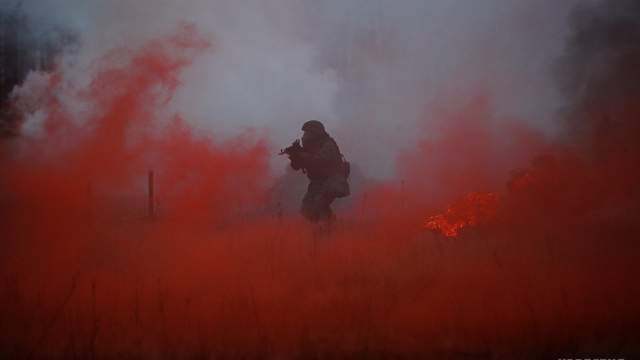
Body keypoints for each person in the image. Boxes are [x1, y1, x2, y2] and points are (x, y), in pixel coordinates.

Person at [284, 120, 350, 223]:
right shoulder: (310, 147)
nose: (304, 136)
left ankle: (330, 229)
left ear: (315, 133)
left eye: (307, 132)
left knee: (318, 205)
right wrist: (295, 157)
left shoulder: (328, 144)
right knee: (306, 209)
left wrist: (302, 155)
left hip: (333, 180)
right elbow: (297, 167)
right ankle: (327, 229)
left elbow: (320, 160)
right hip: (318, 182)